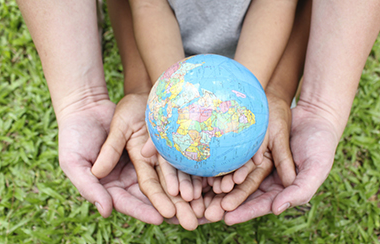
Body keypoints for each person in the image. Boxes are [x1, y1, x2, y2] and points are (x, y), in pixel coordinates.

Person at [91, 0, 301, 230]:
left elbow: (275, 5)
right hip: (167, 51)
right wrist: (174, 95)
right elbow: (148, 6)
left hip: (257, 58)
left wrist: (250, 99)